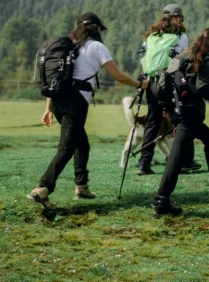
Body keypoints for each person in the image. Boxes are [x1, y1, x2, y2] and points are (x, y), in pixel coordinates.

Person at [27, 12, 148, 211]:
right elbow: (117, 75)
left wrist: (48, 108)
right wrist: (139, 84)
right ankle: (42, 189)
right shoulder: (97, 47)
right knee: (66, 149)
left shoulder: (66, 46)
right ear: (97, 28)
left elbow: (57, 78)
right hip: (75, 102)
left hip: (58, 101)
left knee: (81, 144)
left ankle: (81, 187)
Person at [153, 28, 209, 216]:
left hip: (177, 111)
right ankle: (161, 202)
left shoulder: (185, 56)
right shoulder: (207, 59)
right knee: (176, 157)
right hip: (189, 115)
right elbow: (202, 89)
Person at [136, 4, 200, 175]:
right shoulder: (180, 36)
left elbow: (143, 56)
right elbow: (180, 59)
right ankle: (185, 161)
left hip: (150, 83)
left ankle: (144, 163)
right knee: (181, 120)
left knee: (152, 122)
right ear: (178, 18)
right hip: (169, 83)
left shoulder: (151, 35)